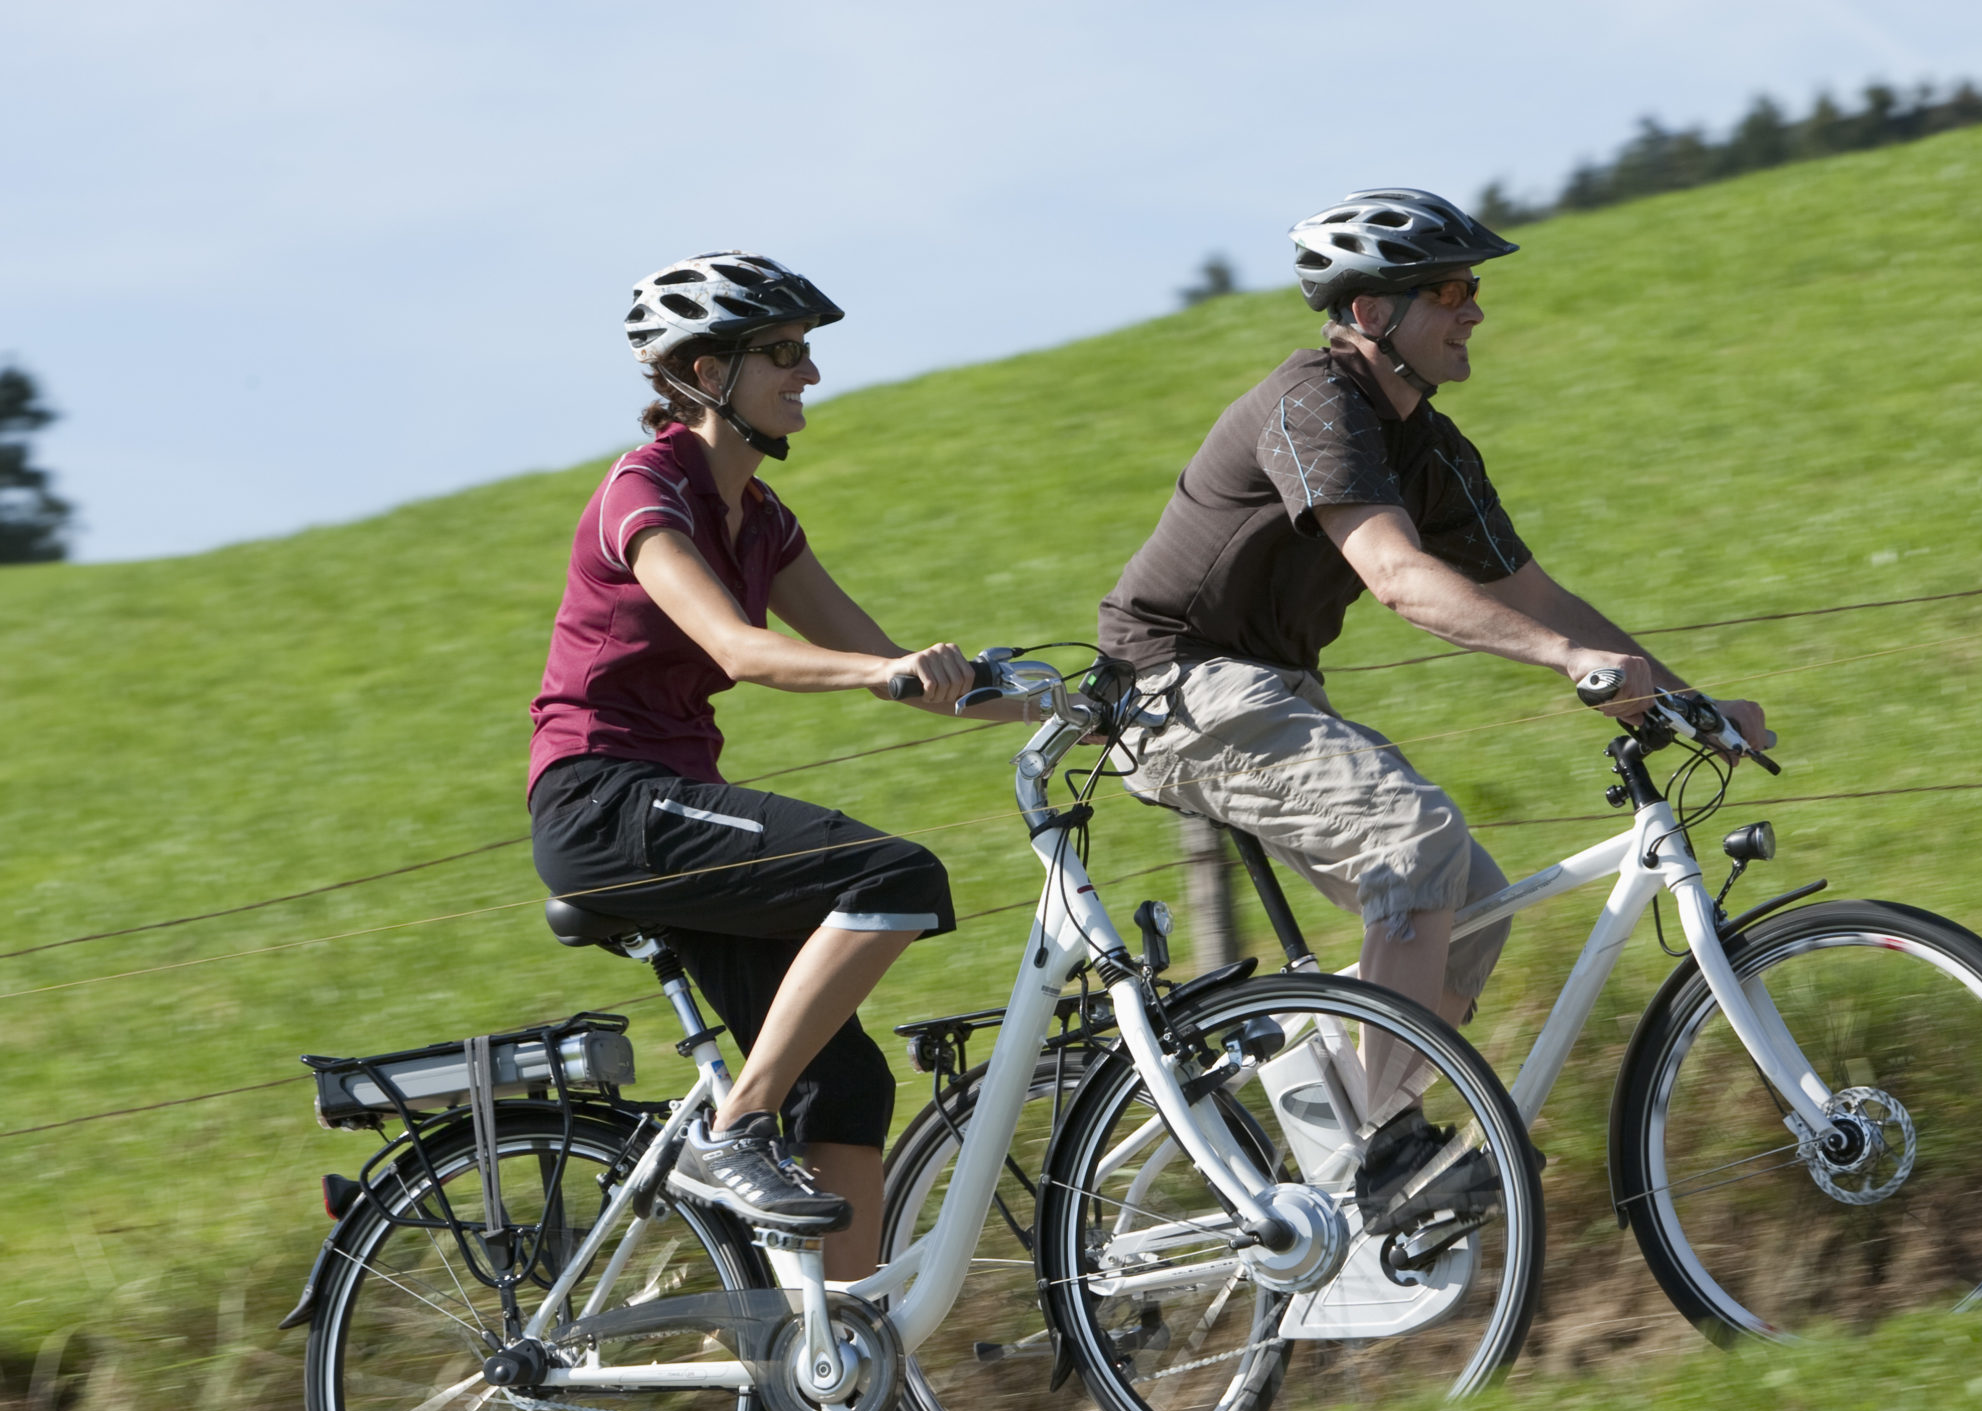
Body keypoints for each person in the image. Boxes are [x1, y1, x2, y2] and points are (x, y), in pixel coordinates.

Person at [1097, 188, 1774, 1134]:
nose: (1475, 310)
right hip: (1173, 686)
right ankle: (1383, 1142)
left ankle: (1352, 1132)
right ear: (1372, 312)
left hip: (1267, 690)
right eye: (1450, 290)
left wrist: (1685, 698)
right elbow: (1397, 578)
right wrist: (1567, 660)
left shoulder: (1430, 447)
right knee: (1414, 844)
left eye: (1473, 288)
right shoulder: (1314, 401)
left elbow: (1537, 596)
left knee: (1473, 905)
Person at [528, 251, 1007, 1286]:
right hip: (604, 802)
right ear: (705, 373)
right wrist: (879, 674)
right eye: (783, 354)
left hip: (670, 805)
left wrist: (1084, 705)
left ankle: (848, 1390)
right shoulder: (642, 494)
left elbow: (911, 672)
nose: (809, 375)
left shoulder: (764, 521)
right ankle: (736, 1130)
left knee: (844, 1087)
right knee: (893, 877)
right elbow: (739, 650)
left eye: (806, 353)